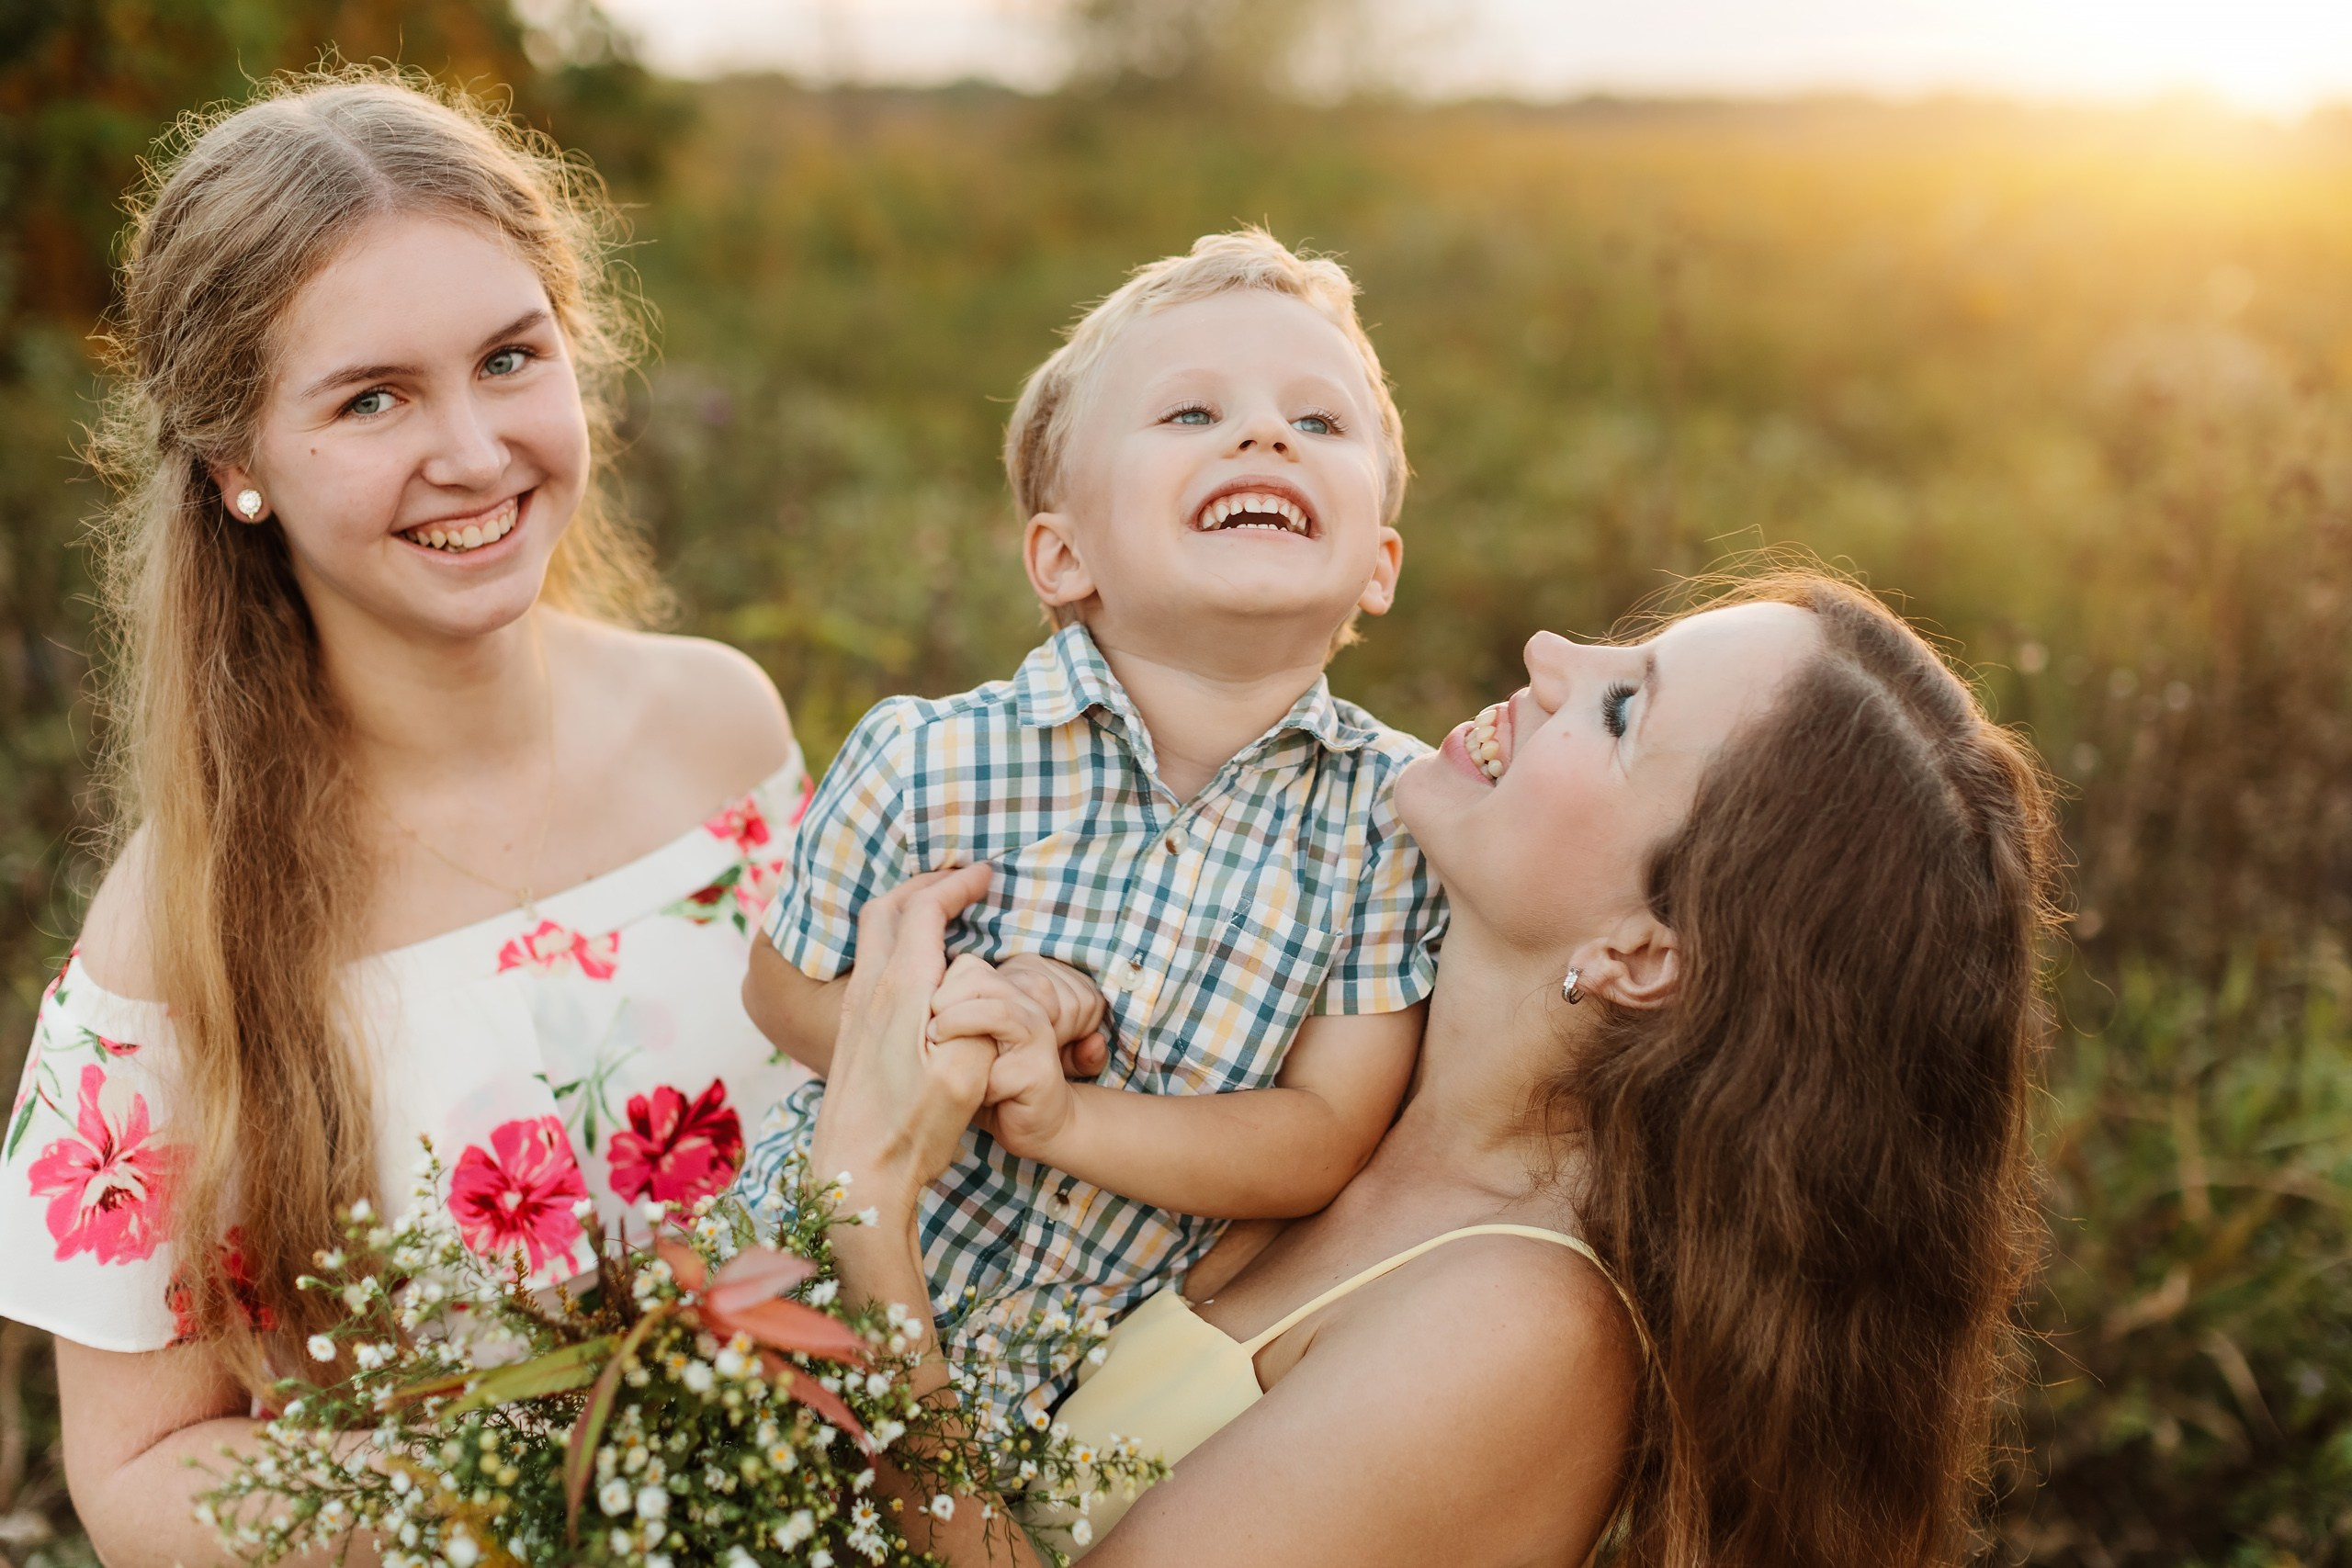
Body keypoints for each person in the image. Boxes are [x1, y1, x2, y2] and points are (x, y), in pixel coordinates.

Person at [807, 572, 2058, 1568]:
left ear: (1642, 951)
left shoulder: (1523, 1331)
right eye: (1621, 652)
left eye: (1622, 711)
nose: (1550, 655)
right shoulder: (1332, 1049)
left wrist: (865, 1212)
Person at [0, 71, 813, 1563]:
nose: (475, 452)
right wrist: (525, 1520)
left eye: (509, 358)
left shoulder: (723, 728)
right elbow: (139, 1473)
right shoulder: (176, 932)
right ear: (238, 464)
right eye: (372, 397)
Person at [736, 230, 1446, 1417]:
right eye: (1191, 413)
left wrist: (1064, 1115)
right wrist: (960, 1030)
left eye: (1319, 422)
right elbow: (781, 989)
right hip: (780, 1324)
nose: (1264, 436)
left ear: (1377, 566)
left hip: (1066, 1418)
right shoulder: (925, 759)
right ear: (1064, 556)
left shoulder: (1395, 825)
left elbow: (1323, 1134)